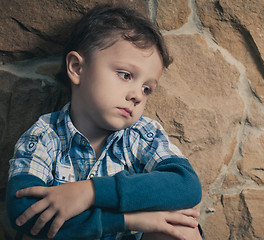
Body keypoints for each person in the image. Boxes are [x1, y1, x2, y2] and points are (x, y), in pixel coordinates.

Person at [6, 4, 203, 240]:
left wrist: (90, 192)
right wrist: (128, 220)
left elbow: (187, 185)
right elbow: (23, 212)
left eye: (147, 88)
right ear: (77, 68)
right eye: (126, 75)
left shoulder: (142, 134)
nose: (137, 95)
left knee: (183, 228)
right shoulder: (44, 136)